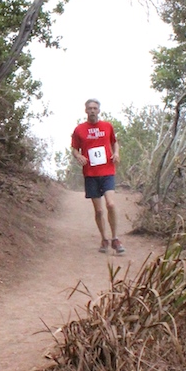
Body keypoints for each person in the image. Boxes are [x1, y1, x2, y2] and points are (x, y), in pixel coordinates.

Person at [71, 98, 125, 254]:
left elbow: (114, 142)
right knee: (99, 211)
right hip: (90, 174)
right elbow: (74, 148)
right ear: (86, 111)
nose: (92, 111)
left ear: (99, 110)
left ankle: (115, 239)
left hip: (107, 171)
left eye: (95, 108)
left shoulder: (107, 126)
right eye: (90, 108)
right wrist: (78, 156)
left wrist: (116, 153)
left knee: (111, 204)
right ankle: (104, 239)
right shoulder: (79, 129)